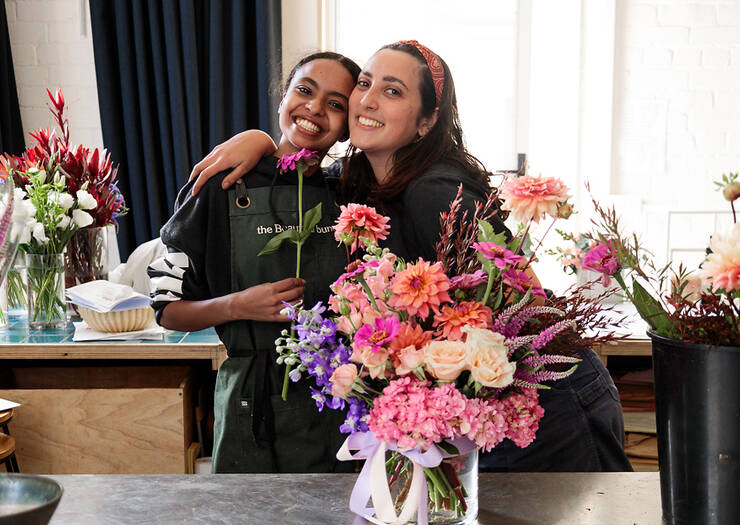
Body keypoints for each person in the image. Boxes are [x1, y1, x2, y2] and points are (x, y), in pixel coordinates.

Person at [189, 41, 632, 472]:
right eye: (365, 84)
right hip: (487, 403)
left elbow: (525, 297)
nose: (369, 99)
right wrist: (261, 140)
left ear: (426, 121)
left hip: (547, 399)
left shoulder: (432, 190)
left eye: (393, 90)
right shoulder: (367, 189)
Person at [148, 52, 361, 473]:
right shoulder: (222, 182)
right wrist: (238, 305)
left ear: (347, 125)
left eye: (336, 104)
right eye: (304, 91)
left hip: (339, 405)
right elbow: (167, 311)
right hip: (250, 404)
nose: (315, 109)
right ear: (283, 99)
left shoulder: (351, 195)